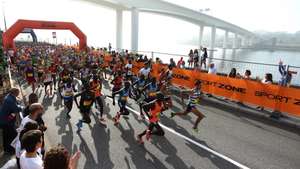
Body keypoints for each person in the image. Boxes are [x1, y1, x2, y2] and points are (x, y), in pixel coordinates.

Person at [0, 88, 22, 154]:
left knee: (6, 135)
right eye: (18, 92)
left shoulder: (9, 96)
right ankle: (11, 150)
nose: (19, 94)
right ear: (15, 93)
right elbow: (17, 109)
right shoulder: (10, 100)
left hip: (3, 120)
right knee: (13, 135)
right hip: (5, 121)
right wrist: (21, 107)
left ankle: (6, 148)